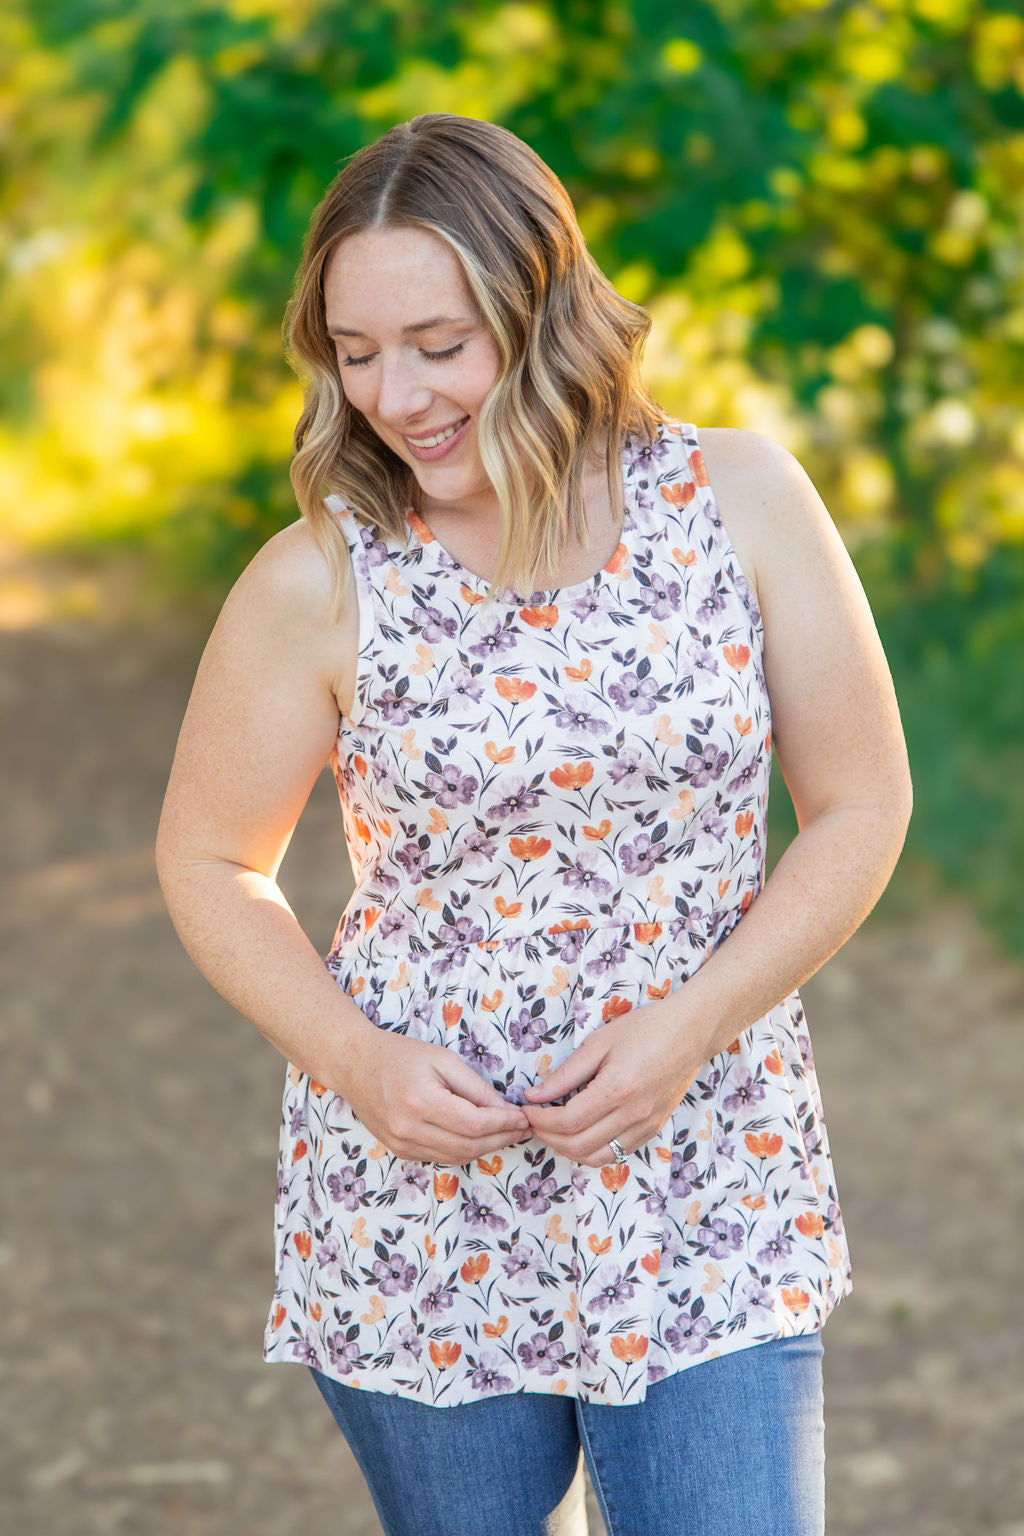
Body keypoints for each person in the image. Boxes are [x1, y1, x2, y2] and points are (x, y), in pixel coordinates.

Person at [155, 113, 913, 1536]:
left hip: (707, 1170)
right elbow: (209, 861)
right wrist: (352, 1057)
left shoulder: (736, 500)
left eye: (439, 344)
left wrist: (690, 1025)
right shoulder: (317, 579)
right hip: (418, 1201)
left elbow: (863, 805)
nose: (395, 393)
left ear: (545, 307)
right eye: (354, 351)